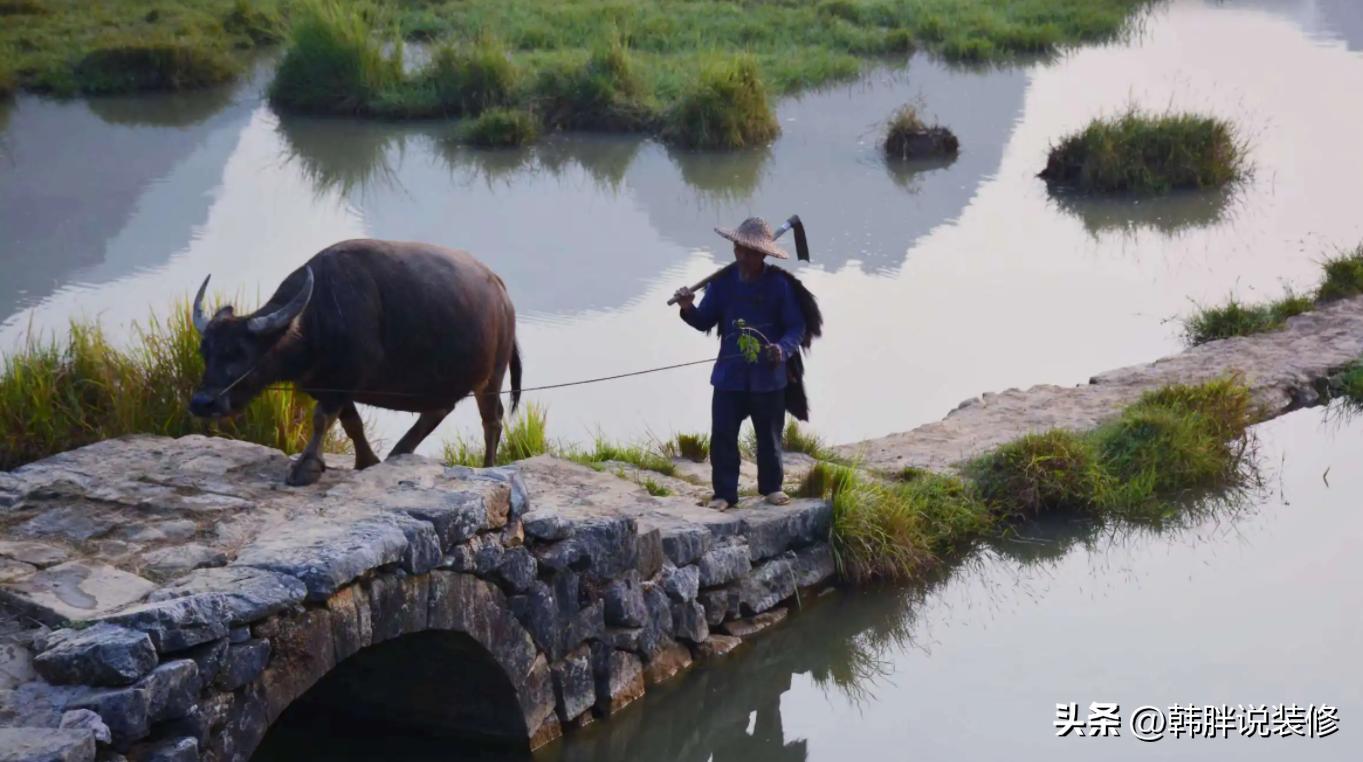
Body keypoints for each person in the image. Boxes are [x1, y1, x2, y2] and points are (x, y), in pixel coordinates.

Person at [673, 217, 806, 511]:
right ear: (734, 249)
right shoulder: (722, 284)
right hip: (729, 376)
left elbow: (796, 327)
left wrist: (781, 350)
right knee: (722, 436)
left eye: (750, 252)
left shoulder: (779, 285)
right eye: (740, 250)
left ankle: (772, 488)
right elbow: (704, 320)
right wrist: (687, 308)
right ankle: (724, 494)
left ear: (763, 254)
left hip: (768, 375)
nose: (744, 257)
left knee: (769, 436)